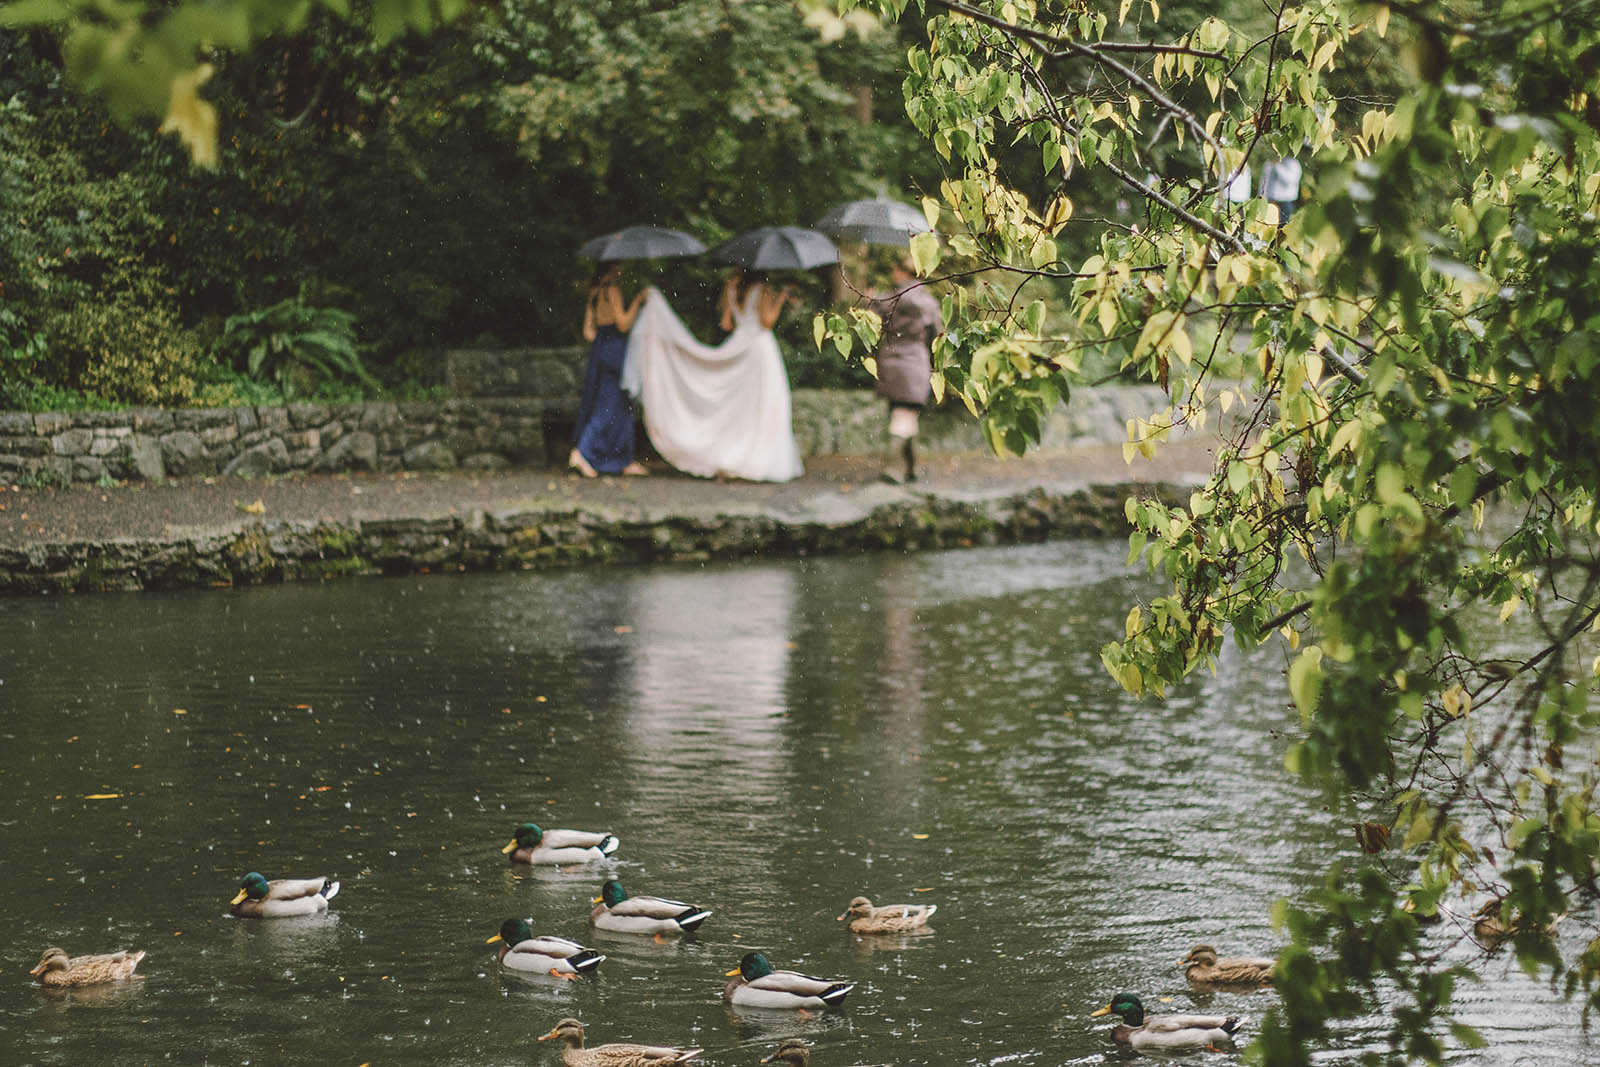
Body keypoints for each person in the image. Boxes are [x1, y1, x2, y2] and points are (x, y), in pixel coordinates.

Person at [620, 268, 803, 482]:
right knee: (766, 403)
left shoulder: (732, 287)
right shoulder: (763, 288)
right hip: (760, 350)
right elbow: (767, 322)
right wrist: (780, 299)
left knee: (741, 408)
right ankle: (758, 457)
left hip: (739, 344)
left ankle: (733, 452)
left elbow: (726, 323)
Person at [867, 257, 941, 483]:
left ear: (901, 272)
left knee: (903, 413)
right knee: (904, 414)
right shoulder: (928, 303)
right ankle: (891, 468)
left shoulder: (887, 299)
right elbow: (936, 336)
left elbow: (869, 324)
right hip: (915, 362)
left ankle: (911, 468)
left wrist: (869, 300)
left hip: (889, 362)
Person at [570, 263, 648, 478]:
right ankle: (581, 452)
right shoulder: (612, 289)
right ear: (613, 266)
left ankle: (623, 459)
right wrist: (638, 302)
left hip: (601, 348)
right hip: (615, 348)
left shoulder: (595, 292)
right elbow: (623, 323)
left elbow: (588, 331)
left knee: (620, 406)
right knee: (609, 405)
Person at [1259, 154, 1303, 223]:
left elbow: (1289, 181)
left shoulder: (1293, 163)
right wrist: (1261, 197)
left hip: (1285, 202)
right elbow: (1264, 181)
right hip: (1270, 201)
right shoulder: (1269, 162)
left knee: (1283, 227)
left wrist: (1277, 166)